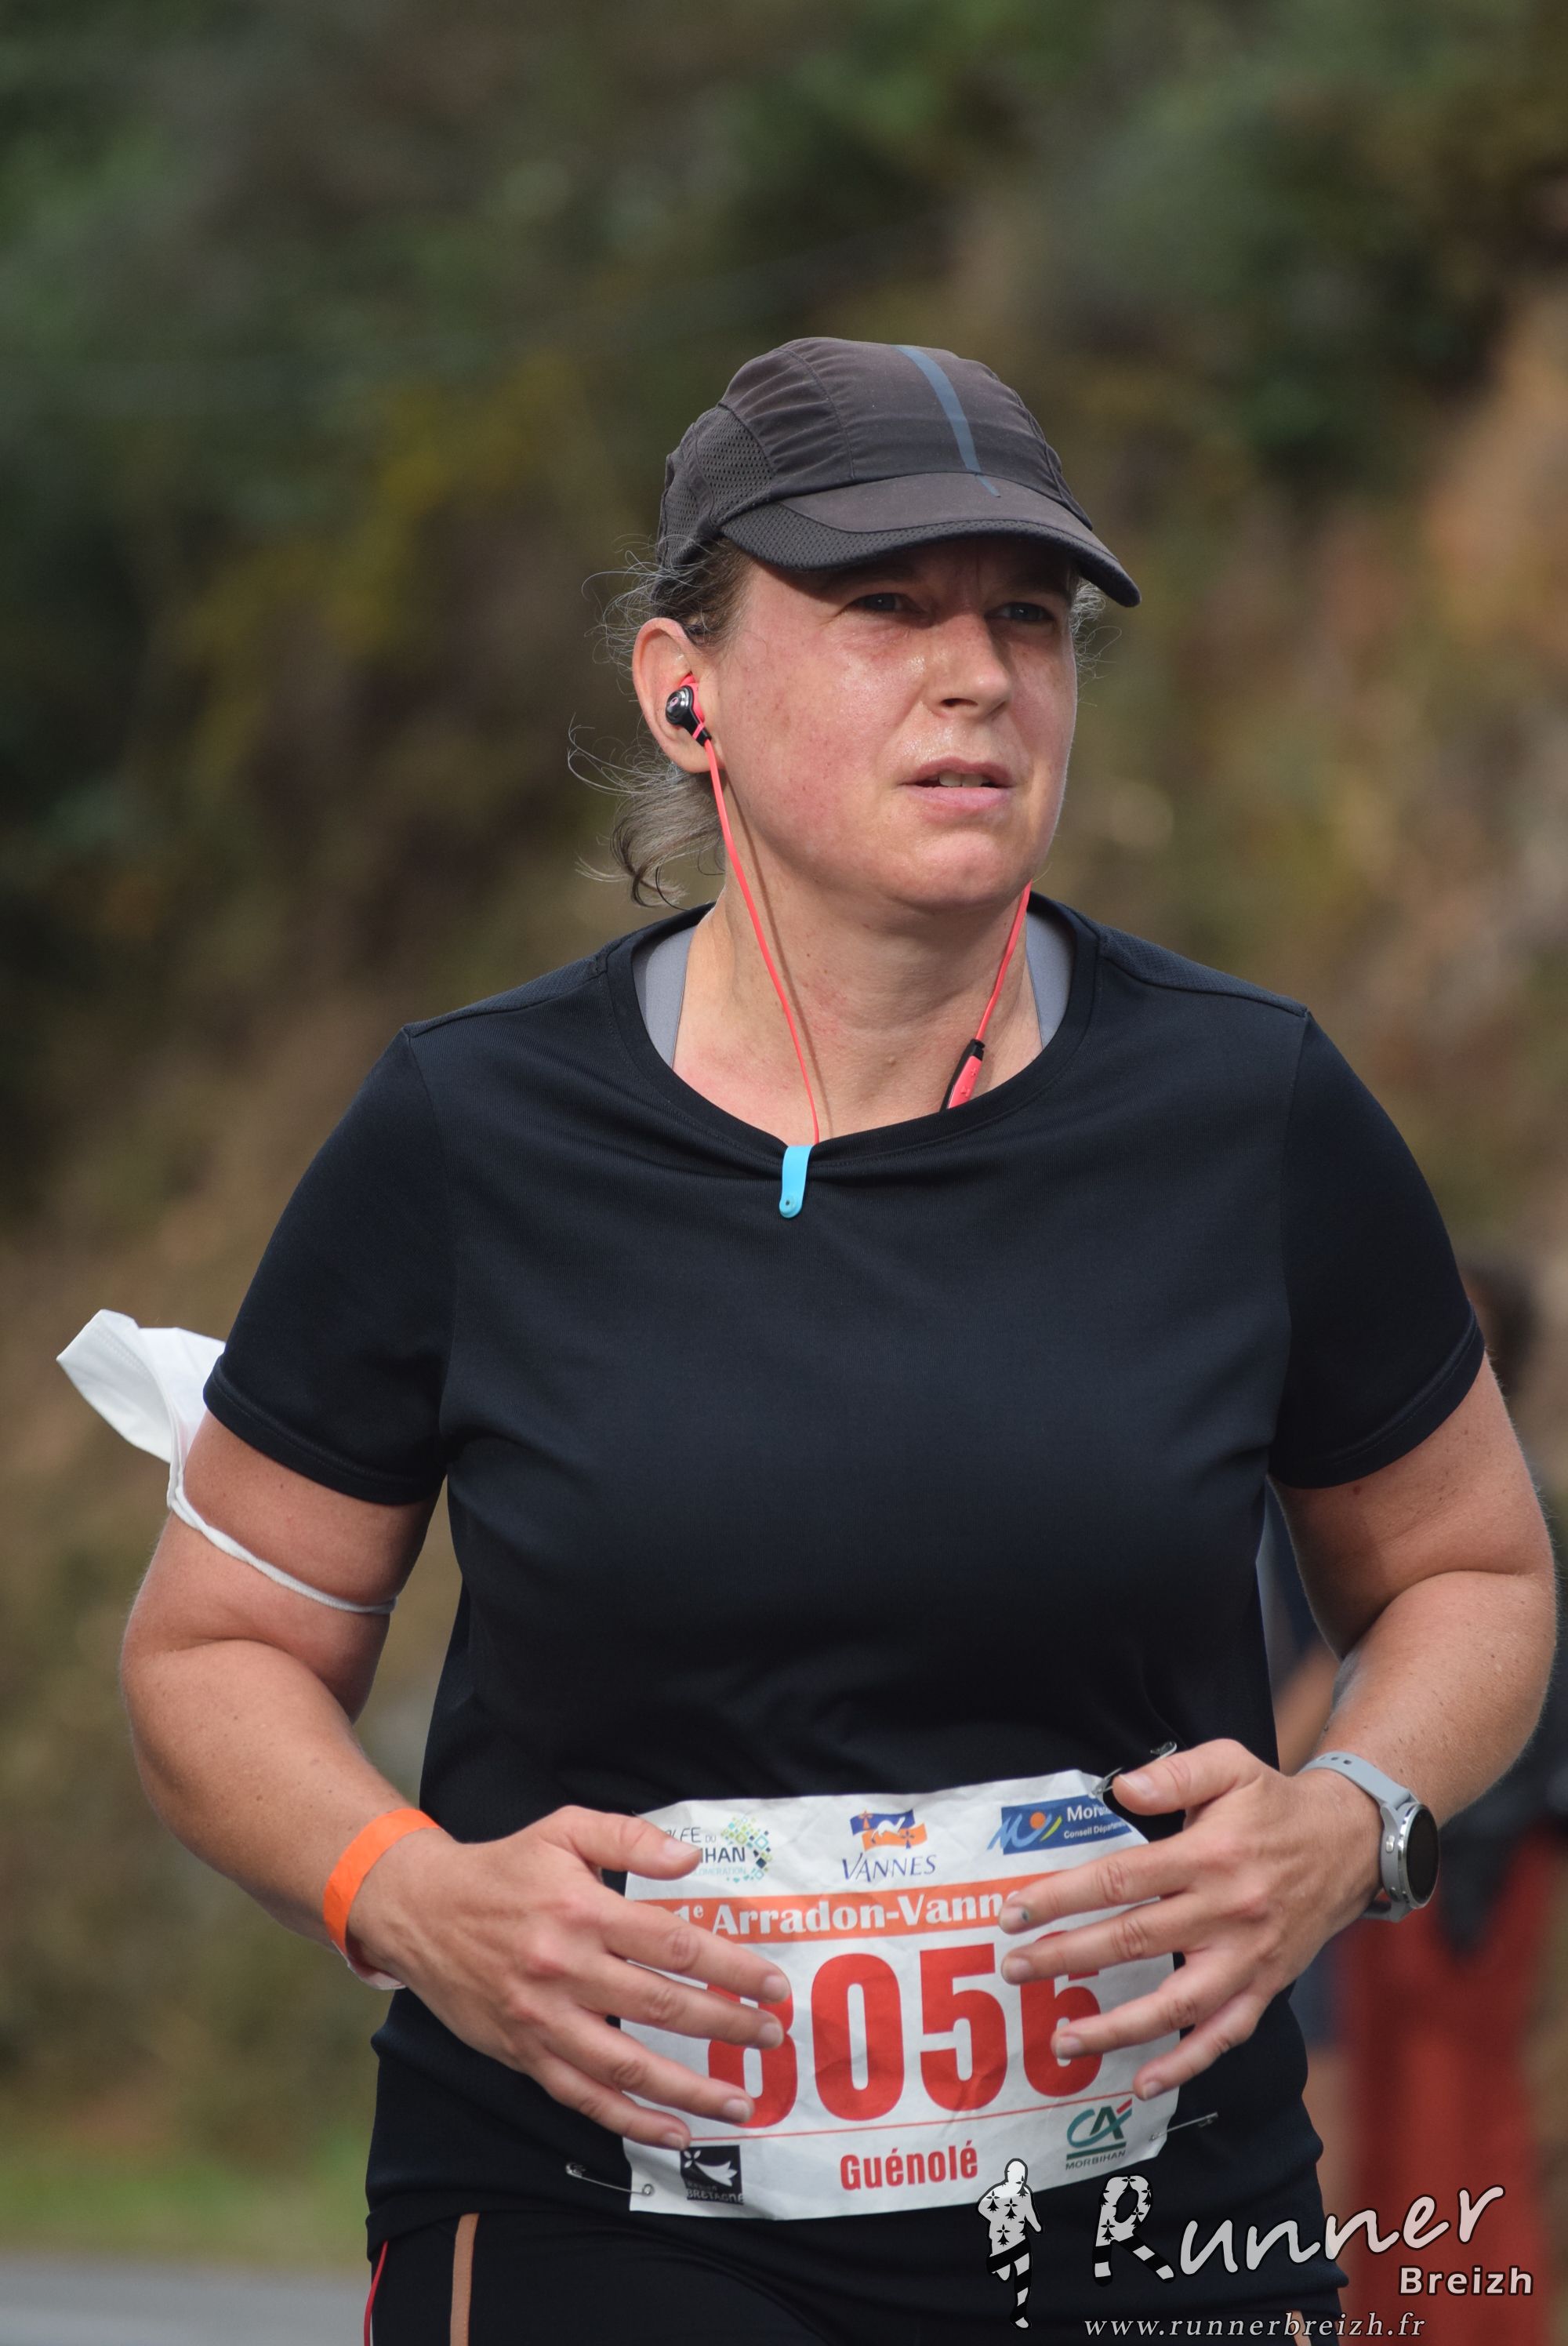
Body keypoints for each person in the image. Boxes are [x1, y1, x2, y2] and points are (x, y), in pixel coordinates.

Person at [93, 338, 1555, 2344]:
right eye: (883, 607)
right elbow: (213, 1650)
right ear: (680, 685)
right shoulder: (470, 1134)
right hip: (600, 2210)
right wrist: (407, 1895)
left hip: (1150, 2221)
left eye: (1026, 619)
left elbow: (1472, 1570)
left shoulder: (1251, 1108)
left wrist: (1350, 1817)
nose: (978, 677)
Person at [1336, 1251, 1568, 2341]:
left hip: (1470, 1864)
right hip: (1394, 1845)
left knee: (1452, 2113)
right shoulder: (1395, 1495)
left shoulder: (1517, 1511)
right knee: (1391, 2113)